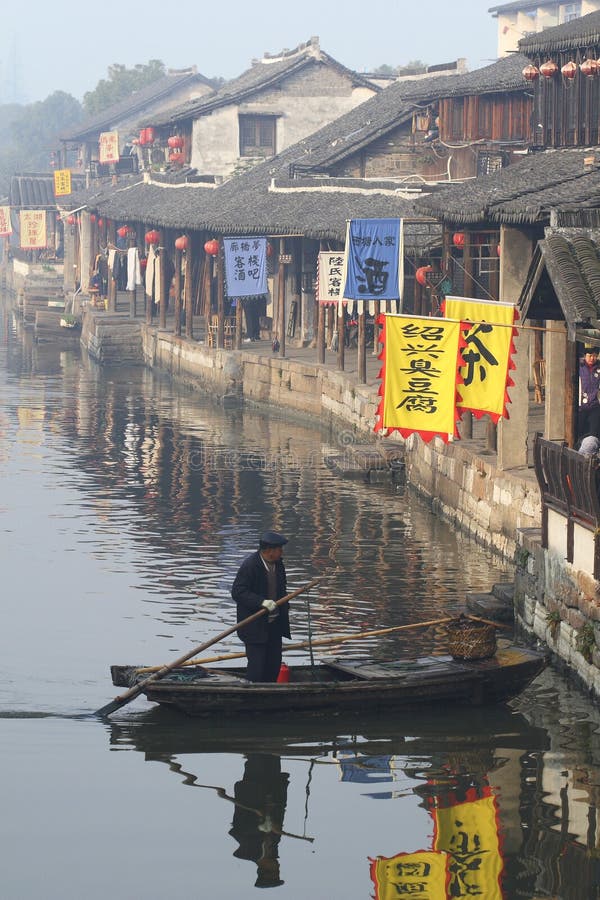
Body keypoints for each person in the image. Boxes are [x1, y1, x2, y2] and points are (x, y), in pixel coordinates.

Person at [231, 531, 290, 682]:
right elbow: (238, 592)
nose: (281, 552)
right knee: (257, 667)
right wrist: (261, 602)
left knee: (273, 665)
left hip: (274, 624)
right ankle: (252, 697)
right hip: (254, 626)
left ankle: (270, 695)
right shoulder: (250, 565)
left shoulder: (279, 564)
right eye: (279, 549)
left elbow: (281, 588)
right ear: (269, 550)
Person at [578, 345, 600, 441]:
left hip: (595, 405)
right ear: (585, 355)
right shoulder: (580, 367)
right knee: (580, 431)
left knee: (594, 433)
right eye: (590, 355)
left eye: (595, 356)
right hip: (581, 406)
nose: (592, 358)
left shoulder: (598, 368)